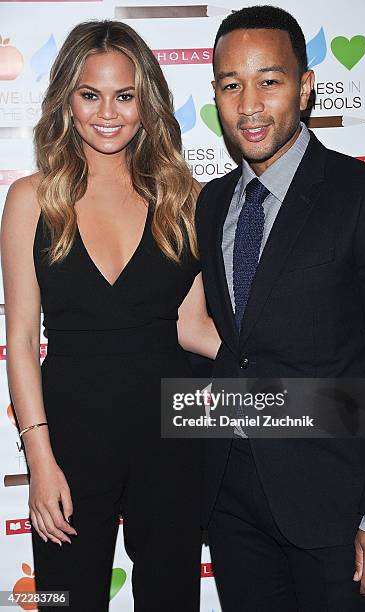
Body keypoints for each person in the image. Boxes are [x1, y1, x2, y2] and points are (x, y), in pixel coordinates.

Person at [195, 5, 365, 611]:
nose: (250, 104)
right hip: (233, 500)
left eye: (270, 80)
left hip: (340, 508)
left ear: (307, 86)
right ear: (215, 93)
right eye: (231, 85)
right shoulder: (211, 204)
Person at [1, 20, 220, 612]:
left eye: (124, 95)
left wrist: (291, 376)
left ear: (146, 103)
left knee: (172, 598)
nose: (108, 112)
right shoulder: (31, 198)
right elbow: (20, 340)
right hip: (70, 440)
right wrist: (40, 462)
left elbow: (192, 326)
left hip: (173, 437)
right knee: (63, 599)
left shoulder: (187, 198)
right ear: (67, 102)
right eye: (90, 94)